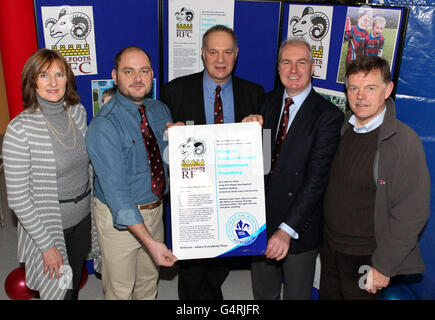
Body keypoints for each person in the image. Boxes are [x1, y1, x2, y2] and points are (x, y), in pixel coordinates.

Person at [160, 24, 265, 300]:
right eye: (214, 51)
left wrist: (257, 131)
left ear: (237, 54)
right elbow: (161, 154)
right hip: (194, 198)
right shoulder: (174, 92)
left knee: (219, 267)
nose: (221, 59)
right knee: (193, 272)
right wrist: (172, 137)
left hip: (233, 198)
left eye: (228, 51)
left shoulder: (255, 94)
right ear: (203, 54)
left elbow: (263, 158)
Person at [319, 55, 430, 300]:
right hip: (330, 248)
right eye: (353, 88)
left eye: (370, 88)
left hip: (365, 257)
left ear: (387, 90)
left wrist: (383, 266)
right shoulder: (344, 127)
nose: (360, 97)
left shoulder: (403, 142)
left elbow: (412, 213)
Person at [244, 38, 344, 300]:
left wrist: (286, 230)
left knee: (297, 295)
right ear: (278, 69)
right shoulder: (266, 103)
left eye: (302, 62)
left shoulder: (328, 115)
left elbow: (316, 180)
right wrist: (246, 132)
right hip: (261, 223)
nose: (294, 69)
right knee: (263, 293)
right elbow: (259, 165)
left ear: (313, 68)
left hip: (299, 226)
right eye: (287, 62)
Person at [2, 49, 98, 300]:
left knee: (73, 281)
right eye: (44, 75)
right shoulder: (19, 130)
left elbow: (87, 167)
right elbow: (19, 200)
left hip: (82, 218)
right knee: (56, 292)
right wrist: (46, 246)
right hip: (49, 226)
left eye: (59, 74)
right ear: (32, 80)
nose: (53, 83)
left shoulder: (78, 113)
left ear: (68, 79)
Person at [85, 46, 177, 300]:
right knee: (120, 290)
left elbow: (167, 162)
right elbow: (119, 197)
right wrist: (151, 243)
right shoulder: (104, 126)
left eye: (144, 71)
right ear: (115, 76)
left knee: (148, 282)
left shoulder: (160, 111)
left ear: (151, 75)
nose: (138, 79)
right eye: (129, 71)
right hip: (120, 220)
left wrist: (182, 140)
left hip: (155, 210)